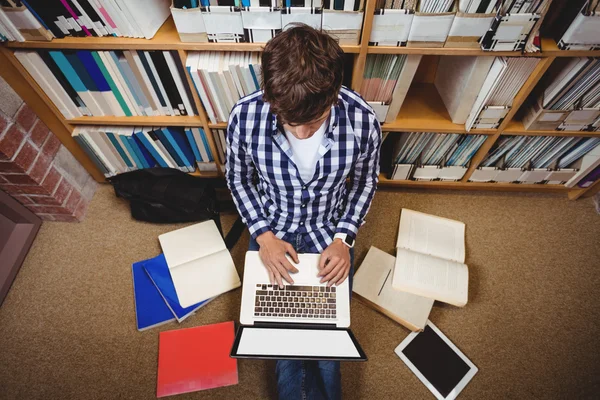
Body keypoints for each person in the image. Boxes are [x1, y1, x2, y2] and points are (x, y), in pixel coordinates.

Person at [225, 24, 381, 400]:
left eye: (313, 122)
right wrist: (262, 237)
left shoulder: (363, 122)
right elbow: (238, 180)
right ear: (271, 98)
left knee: (329, 339)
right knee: (282, 336)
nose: (303, 134)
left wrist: (344, 239)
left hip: (330, 230)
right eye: (291, 123)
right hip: (271, 226)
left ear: (333, 97)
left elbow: (364, 184)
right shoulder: (244, 117)